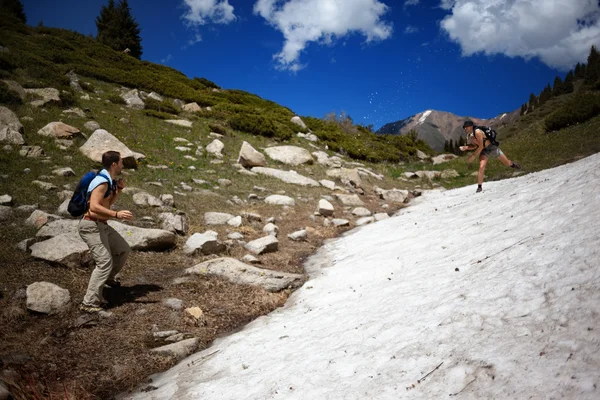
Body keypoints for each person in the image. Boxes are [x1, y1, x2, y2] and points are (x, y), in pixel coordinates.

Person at [78, 151, 134, 313]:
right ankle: (89, 303)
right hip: (91, 226)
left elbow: (106, 203)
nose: (123, 165)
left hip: (101, 225)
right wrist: (116, 215)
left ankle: (108, 279)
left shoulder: (108, 181)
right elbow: (94, 206)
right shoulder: (102, 181)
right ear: (114, 164)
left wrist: (118, 191)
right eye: (121, 162)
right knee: (104, 263)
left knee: (123, 249)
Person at [459, 120, 521, 193]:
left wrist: (473, 156)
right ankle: (479, 187)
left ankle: (514, 165)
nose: (465, 129)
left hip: (492, 148)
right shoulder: (470, 135)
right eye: (464, 128)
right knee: (481, 166)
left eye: (466, 127)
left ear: (471, 126)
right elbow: (475, 146)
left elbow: (481, 146)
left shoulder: (477, 132)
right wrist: (466, 148)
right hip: (485, 150)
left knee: (507, 163)